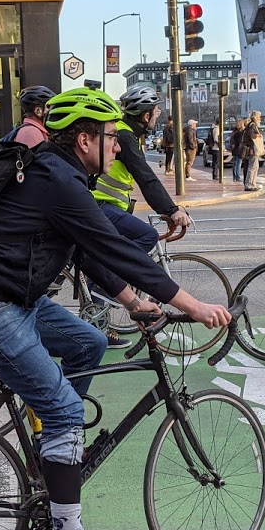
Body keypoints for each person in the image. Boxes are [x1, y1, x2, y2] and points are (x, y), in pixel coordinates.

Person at [0, 87, 230, 530]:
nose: (119, 148)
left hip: (6, 297)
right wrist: (193, 305)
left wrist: (133, 302)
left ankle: (53, 454)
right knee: (68, 411)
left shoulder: (59, 175)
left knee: (88, 344)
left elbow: (84, 252)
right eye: (113, 138)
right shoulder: (58, 180)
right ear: (86, 139)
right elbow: (114, 246)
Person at [92, 85, 194, 346]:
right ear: (146, 115)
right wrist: (171, 209)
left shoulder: (128, 135)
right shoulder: (125, 137)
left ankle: (102, 291)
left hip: (108, 206)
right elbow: (145, 178)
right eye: (156, 112)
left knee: (109, 256)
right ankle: (105, 287)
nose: (158, 116)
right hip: (101, 205)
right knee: (146, 236)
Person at [241, 110, 264, 191]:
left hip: (253, 148)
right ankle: (249, 184)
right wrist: (257, 135)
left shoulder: (251, 125)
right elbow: (251, 135)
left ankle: (253, 183)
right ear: (255, 117)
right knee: (252, 167)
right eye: (259, 117)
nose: (260, 119)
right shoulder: (252, 125)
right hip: (252, 149)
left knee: (255, 166)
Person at [229, 118, 246, 182]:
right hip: (239, 149)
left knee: (235, 163)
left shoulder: (234, 131)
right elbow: (240, 140)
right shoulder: (241, 132)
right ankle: (237, 177)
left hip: (235, 149)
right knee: (239, 163)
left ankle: (234, 176)